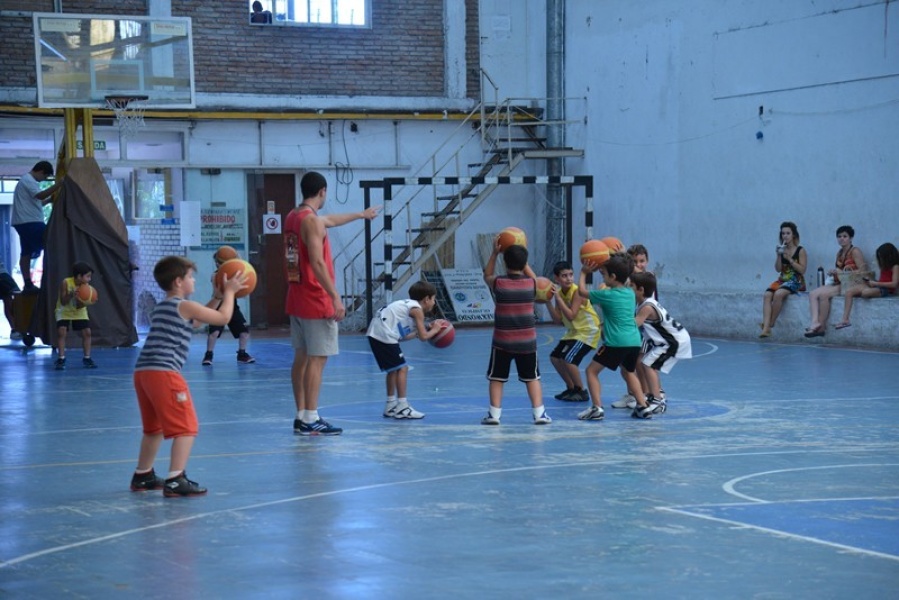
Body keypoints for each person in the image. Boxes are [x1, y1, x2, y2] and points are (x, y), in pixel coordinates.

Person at [130, 255, 248, 497]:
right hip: (164, 373)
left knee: (154, 429)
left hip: (143, 373)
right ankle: (176, 479)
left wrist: (216, 297)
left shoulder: (164, 306)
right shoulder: (183, 305)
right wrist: (230, 293)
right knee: (186, 427)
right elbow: (223, 318)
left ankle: (143, 475)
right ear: (178, 282)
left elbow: (195, 321)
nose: (194, 281)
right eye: (190, 277)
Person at [286, 171, 381, 436]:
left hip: (296, 297)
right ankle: (311, 417)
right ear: (323, 192)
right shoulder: (313, 223)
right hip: (316, 299)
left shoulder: (295, 216)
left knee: (302, 359)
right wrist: (335, 296)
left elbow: (329, 221)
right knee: (318, 360)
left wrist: (361, 215)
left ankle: (301, 415)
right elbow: (316, 262)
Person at [576, 253, 656, 420]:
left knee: (591, 371)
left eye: (604, 274)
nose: (602, 278)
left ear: (613, 276)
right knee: (629, 372)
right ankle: (643, 406)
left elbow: (582, 292)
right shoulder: (629, 292)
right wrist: (623, 257)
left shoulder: (606, 295)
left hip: (615, 342)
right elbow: (630, 274)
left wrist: (584, 272)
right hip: (634, 340)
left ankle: (596, 408)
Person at [481, 240, 551, 425]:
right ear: (525, 264)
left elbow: (487, 274)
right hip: (527, 343)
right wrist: (524, 262)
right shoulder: (531, 284)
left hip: (502, 342)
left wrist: (495, 253)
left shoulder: (499, 283)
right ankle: (539, 414)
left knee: (497, 378)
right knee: (532, 378)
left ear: (505, 263)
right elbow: (536, 280)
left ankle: (494, 415)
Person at [366, 280, 443, 419]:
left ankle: (391, 405)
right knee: (403, 368)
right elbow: (424, 338)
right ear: (427, 299)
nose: (434, 302)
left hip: (376, 333)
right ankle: (402, 406)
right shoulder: (417, 310)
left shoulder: (407, 307)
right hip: (383, 334)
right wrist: (436, 330)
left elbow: (405, 336)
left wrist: (424, 330)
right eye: (434, 299)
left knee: (393, 369)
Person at [630, 271, 692, 414]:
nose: (629, 289)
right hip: (671, 341)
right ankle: (655, 395)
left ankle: (658, 400)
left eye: (631, 286)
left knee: (647, 364)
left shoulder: (646, 307)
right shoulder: (646, 303)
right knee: (649, 363)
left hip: (674, 342)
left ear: (641, 290)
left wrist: (614, 320)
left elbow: (635, 324)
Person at [544, 260, 601, 402]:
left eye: (571, 274)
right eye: (564, 276)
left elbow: (571, 315)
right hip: (574, 331)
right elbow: (558, 320)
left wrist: (558, 298)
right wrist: (548, 302)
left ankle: (581, 391)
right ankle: (571, 388)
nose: (569, 278)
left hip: (588, 330)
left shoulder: (577, 292)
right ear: (556, 278)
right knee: (555, 358)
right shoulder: (560, 294)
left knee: (569, 359)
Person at [612, 243, 654, 409]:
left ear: (647, 261)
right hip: (632, 328)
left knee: (638, 363)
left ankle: (643, 395)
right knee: (626, 365)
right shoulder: (630, 280)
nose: (639, 264)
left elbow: (634, 274)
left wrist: (626, 259)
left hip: (646, 329)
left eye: (642, 261)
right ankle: (633, 394)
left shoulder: (648, 277)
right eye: (635, 261)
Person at [805, 225, 865, 337]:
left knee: (823, 296)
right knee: (813, 294)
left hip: (850, 283)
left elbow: (863, 270)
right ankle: (815, 322)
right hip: (839, 281)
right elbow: (839, 271)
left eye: (845, 236)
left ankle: (821, 327)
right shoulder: (839, 253)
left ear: (851, 238)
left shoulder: (855, 251)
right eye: (839, 236)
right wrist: (834, 272)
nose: (842, 238)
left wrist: (843, 272)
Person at [12, 161, 63, 292]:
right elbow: (40, 195)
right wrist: (59, 184)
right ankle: (51, 281)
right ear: (40, 171)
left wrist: (50, 200)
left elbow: (37, 204)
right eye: (45, 177)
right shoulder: (28, 180)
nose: (43, 180)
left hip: (23, 222)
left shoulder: (25, 182)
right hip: (30, 222)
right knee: (51, 244)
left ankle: (28, 284)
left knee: (26, 253)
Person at [202, 249, 255, 365]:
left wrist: (238, 259)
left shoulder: (234, 274)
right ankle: (208, 355)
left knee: (244, 332)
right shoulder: (216, 275)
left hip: (232, 306)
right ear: (217, 264)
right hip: (218, 306)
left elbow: (242, 271)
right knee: (214, 333)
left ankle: (242, 354)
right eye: (221, 263)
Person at [759, 221, 807, 338]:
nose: (785, 236)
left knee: (779, 294)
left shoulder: (800, 250)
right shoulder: (782, 249)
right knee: (767, 295)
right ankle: (766, 329)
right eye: (783, 233)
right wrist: (779, 256)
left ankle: (770, 324)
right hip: (782, 279)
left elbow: (802, 270)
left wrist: (790, 259)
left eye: (788, 233)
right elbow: (778, 269)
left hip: (796, 280)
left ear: (793, 235)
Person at [835, 242, 899, 329]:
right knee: (849, 292)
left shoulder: (895, 266)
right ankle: (845, 320)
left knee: (865, 293)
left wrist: (876, 283)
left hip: (886, 290)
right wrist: (871, 282)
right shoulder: (884, 266)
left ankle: (865, 289)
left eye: (881, 257)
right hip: (877, 286)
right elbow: (882, 280)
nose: (880, 259)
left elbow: (894, 284)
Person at [54, 262, 97, 370]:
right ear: (79, 276)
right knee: (62, 331)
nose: (89, 279)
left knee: (87, 332)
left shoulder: (86, 288)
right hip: (64, 310)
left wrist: (88, 301)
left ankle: (87, 358)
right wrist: (71, 294)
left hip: (78, 311)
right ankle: (61, 358)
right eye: (88, 276)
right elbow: (63, 301)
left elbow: (79, 306)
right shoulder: (66, 282)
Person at [1, 257, 19, 338]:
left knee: (9, 300)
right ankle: (15, 328)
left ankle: (16, 328)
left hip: (3, 274)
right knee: (9, 300)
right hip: (2, 275)